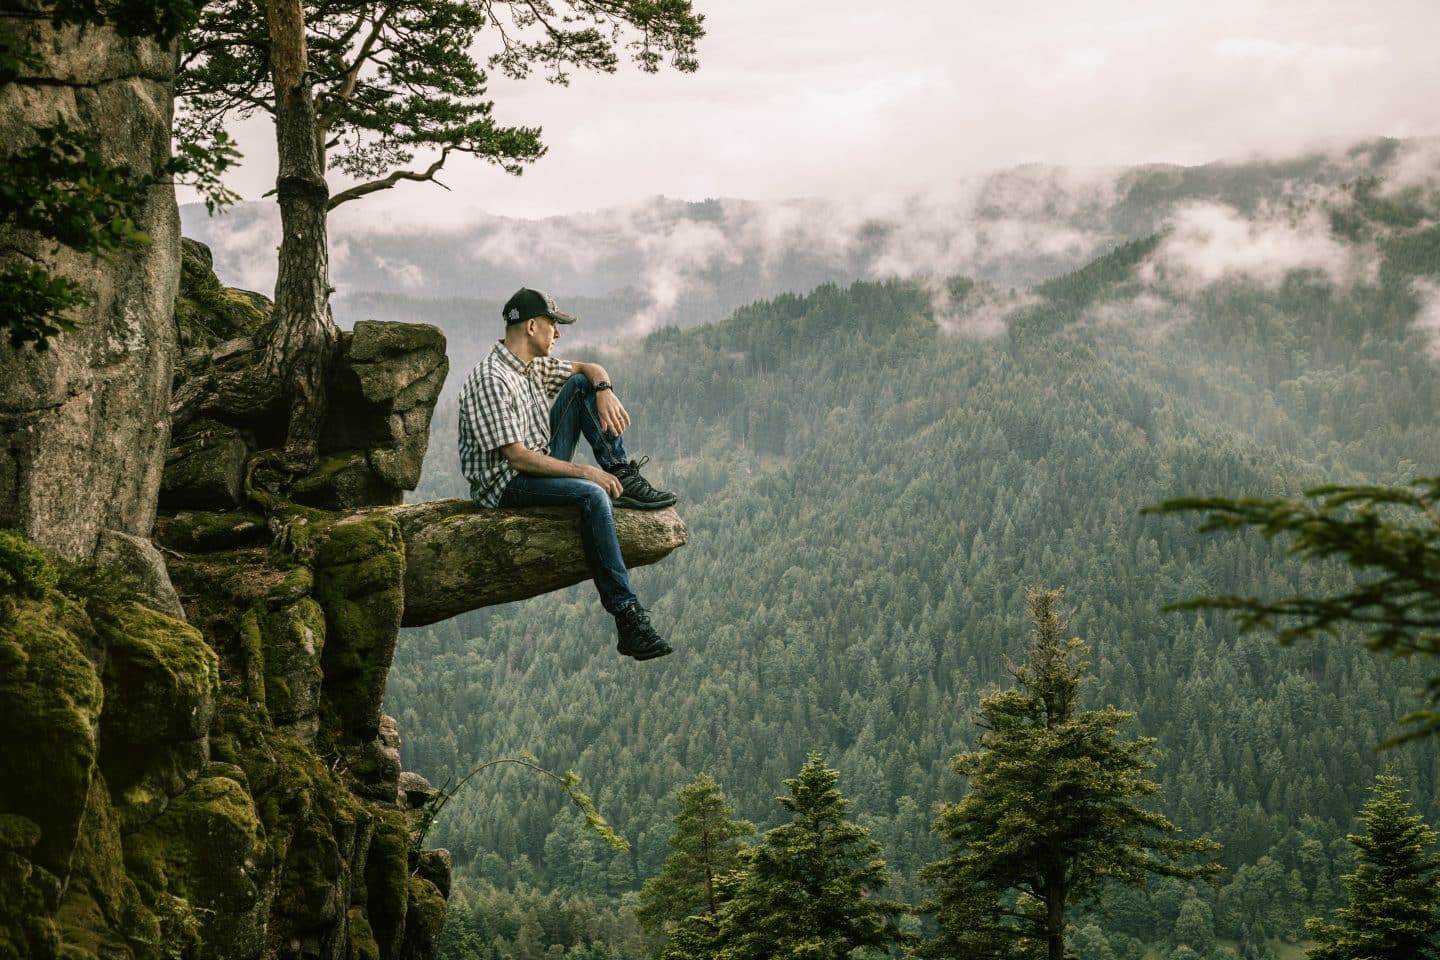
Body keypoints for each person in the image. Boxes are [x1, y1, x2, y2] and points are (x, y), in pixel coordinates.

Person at [458, 287, 679, 661]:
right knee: (592, 496)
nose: (558, 334)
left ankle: (622, 474)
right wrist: (585, 473)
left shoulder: (529, 365)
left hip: (537, 461)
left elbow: (589, 369)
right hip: (507, 485)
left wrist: (604, 389)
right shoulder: (492, 379)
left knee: (581, 386)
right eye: (553, 325)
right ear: (532, 326)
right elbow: (518, 459)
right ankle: (627, 618)